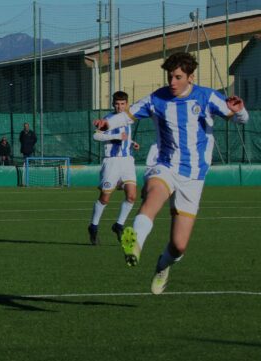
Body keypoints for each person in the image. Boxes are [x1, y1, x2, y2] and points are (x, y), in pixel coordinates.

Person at [94, 52, 249, 295]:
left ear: (190, 77)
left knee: (179, 245)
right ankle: (135, 245)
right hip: (163, 165)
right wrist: (108, 124)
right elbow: (129, 114)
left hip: (194, 176)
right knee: (154, 196)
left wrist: (239, 111)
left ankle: (163, 266)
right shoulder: (158, 99)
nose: (173, 82)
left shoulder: (207, 97)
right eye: (170, 77)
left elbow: (239, 118)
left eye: (178, 77)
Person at [88, 91, 140, 245]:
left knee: (131, 196)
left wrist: (132, 143)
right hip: (111, 162)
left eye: (123, 104)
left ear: (127, 104)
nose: (120, 106)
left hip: (127, 161)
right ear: (113, 104)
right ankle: (93, 226)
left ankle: (118, 225)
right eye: (117, 104)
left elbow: (126, 137)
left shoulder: (129, 119)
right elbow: (96, 136)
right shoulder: (108, 119)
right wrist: (115, 137)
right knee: (105, 198)